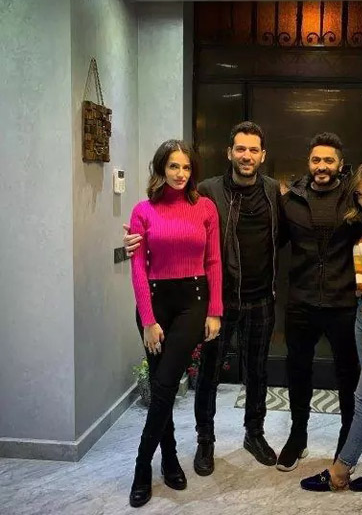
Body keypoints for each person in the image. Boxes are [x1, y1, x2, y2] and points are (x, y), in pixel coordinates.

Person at [124, 122, 282, 476]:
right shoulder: (207, 192)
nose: (246, 155)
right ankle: (203, 441)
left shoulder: (272, 191)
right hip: (212, 299)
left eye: (253, 150)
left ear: (262, 155)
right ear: (229, 152)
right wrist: (134, 244)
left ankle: (254, 434)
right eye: (240, 148)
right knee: (206, 374)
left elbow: (282, 235)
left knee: (257, 371)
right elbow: (154, 254)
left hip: (255, 298)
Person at [277, 137, 362, 472]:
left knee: (348, 376)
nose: (321, 166)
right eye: (316, 159)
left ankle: (345, 441)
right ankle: (297, 437)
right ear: (308, 162)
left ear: (340, 164)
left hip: (343, 302)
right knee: (297, 370)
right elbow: (273, 239)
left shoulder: (354, 198)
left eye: (329, 160)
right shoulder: (291, 199)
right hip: (301, 300)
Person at [127, 140, 222, 508]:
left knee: (166, 382)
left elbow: (213, 261)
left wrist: (215, 311)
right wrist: (148, 320)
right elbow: (138, 267)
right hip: (154, 303)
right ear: (161, 169)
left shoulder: (206, 208)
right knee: (159, 383)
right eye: (173, 166)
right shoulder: (143, 211)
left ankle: (141, 466)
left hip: (192, 302)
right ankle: (168, 459)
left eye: (186, 167)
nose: (181, 174)